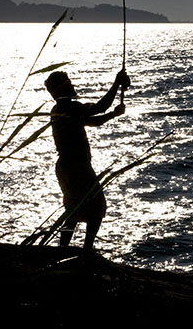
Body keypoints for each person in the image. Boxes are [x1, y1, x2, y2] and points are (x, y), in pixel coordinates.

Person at [44, 69, 130, 250]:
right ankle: (87, 251)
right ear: (61, 88)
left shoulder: (59, 110)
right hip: (77, 167)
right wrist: (116, 83)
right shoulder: (69, 108)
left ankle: (63, 250)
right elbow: (100, 107)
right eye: (67, 82)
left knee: (73, 211)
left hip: (66, 168)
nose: (71, 84)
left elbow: (93, 121)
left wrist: (113, 115)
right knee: (97, 208)